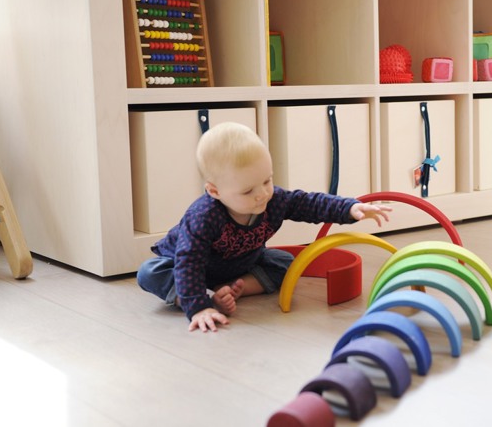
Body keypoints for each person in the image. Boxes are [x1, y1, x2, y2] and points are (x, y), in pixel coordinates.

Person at [137, 122, 392, 332]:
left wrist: (348, 208)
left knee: (286, 260)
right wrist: (198, 307)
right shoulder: (203, 216)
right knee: (149, 272)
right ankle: (203, 296)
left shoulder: (274, 199)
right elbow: (188, 260)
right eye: (248, 190)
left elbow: (307, 203)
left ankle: (237, 289)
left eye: (267, 181)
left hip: (240, 265)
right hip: (190, 267)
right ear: (215, 191)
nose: (262, 195)